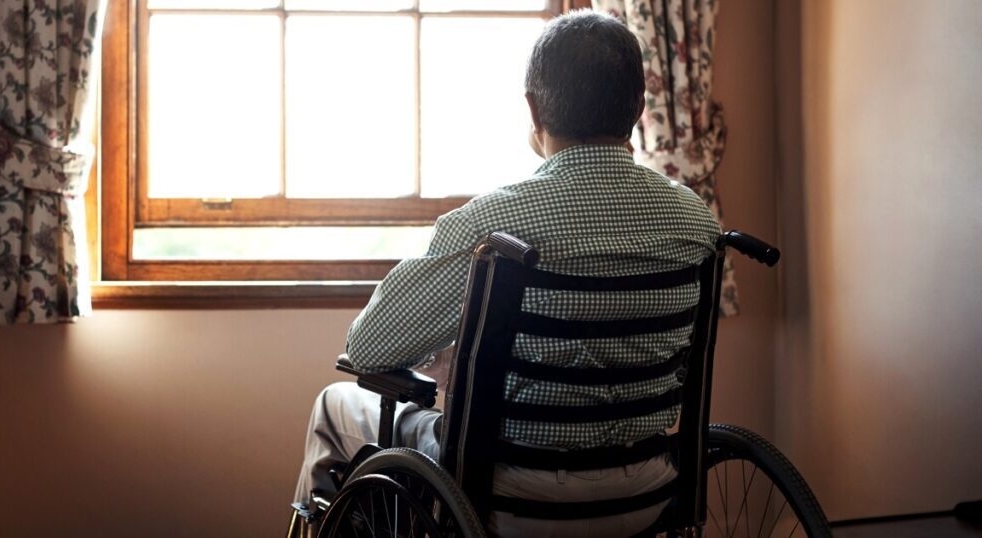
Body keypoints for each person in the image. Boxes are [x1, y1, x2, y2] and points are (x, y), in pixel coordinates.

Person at [294, 9, 720, 536]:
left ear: (533, 107)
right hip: (648, 492)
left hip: (507, 501)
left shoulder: (491, 225)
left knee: (335, 404)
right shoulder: (694, 220)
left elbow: (369, 349)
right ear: (638, 105)